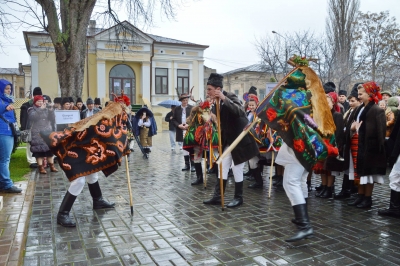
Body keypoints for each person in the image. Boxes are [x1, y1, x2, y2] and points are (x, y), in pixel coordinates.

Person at [203, 73, 259, 208]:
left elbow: (240, 111)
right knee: (222, 164)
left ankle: (238, 198)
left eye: (209, 89)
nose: (207, 92)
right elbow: (221, 121)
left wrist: (224, 98)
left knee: (236, 166)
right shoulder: (214, 102)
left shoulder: (229, 96)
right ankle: (218, 196)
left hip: (241, 139)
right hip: (229, 140)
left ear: (218, 89)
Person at [347, 82, 386, 208]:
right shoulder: (359, 108)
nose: (359, 96)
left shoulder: (377, 110)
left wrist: (379, 149)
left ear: (370, 94)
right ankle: (360, 196)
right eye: (358, 93)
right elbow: (354, 123)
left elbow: (381, 131)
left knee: (368, 174)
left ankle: (367, 198)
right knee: (361, 173)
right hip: (359, 143)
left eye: (361, 93)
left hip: (371, 146)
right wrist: (352, 128)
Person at [334, 83, 362, 200]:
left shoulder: (358, 111)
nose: (350, 103)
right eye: (349, 101)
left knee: (353, 167)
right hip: (347, 141)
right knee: (348, 167)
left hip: (354, 141)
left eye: (353, 101)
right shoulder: (349, 111)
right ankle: (346, 189)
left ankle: (351, 190)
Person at [315, 92, 344, 198]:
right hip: (322, 143)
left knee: (330, 168)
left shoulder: (337, 115)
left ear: (333, 102)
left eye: (327, 102)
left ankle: (329, 188)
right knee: (322, 167)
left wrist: (336, 146)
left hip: (331, 144)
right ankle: (324, 186)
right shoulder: (323, 114)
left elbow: (339, 132)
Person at [0, 79, 22, 193]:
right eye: (6, 88)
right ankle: (7, 184)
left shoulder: (7, 100)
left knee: (2, 159)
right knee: (5, 159)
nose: (8, 91)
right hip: (3, 132)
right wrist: (5, 108)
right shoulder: (2, 101)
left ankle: (2, 183)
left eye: (10, 88)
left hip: (8, 131)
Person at [28, 95, 58, 174]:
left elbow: (52, 119)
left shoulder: (46, 109)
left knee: (49, 151)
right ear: (35, 102)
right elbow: (32, 117)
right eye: (38, 101)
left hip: (47, 132)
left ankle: (52, 166)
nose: (40, 103)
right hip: (37, 133)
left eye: (41, 101)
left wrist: (51, 110)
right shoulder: (31, 109)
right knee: (39, 152)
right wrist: (40, 109)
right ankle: (41, 167)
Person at [20, 86, 42, 168]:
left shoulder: (42, 104)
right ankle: (31, 161)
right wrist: (24, 129)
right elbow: (23, 118)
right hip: (30, 127)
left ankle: (38, 160)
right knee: (30, 144)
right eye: (36, 95)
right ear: (33, 96)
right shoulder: (26, 105)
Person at [171, 93, 194, 171]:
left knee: (191, 146)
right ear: (181, 101)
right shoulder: (177, 109)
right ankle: (187, 164)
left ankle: (193, 165)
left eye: (186, 100)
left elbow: (194, 119)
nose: (185, 102)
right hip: (181, 130)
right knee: (184, 147)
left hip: (189, 130)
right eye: (184, 100)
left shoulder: (191, 108)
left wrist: (189, 125)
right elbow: (173, 120)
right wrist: (178, 125)